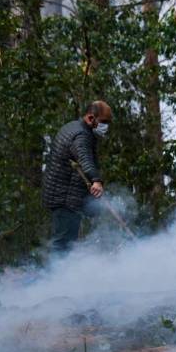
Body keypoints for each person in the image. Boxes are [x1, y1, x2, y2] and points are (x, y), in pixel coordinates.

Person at [42, 101, 112, 251]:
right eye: (103, 122)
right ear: (90, 118)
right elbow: (84, 159)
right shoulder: (81, 135)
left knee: (64, 242)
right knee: (62, 245)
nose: (106, 126)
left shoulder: (74, 127)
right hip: (65, 198)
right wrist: (96, 180)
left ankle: (61, 272)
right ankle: (57, 274)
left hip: (63, 195)